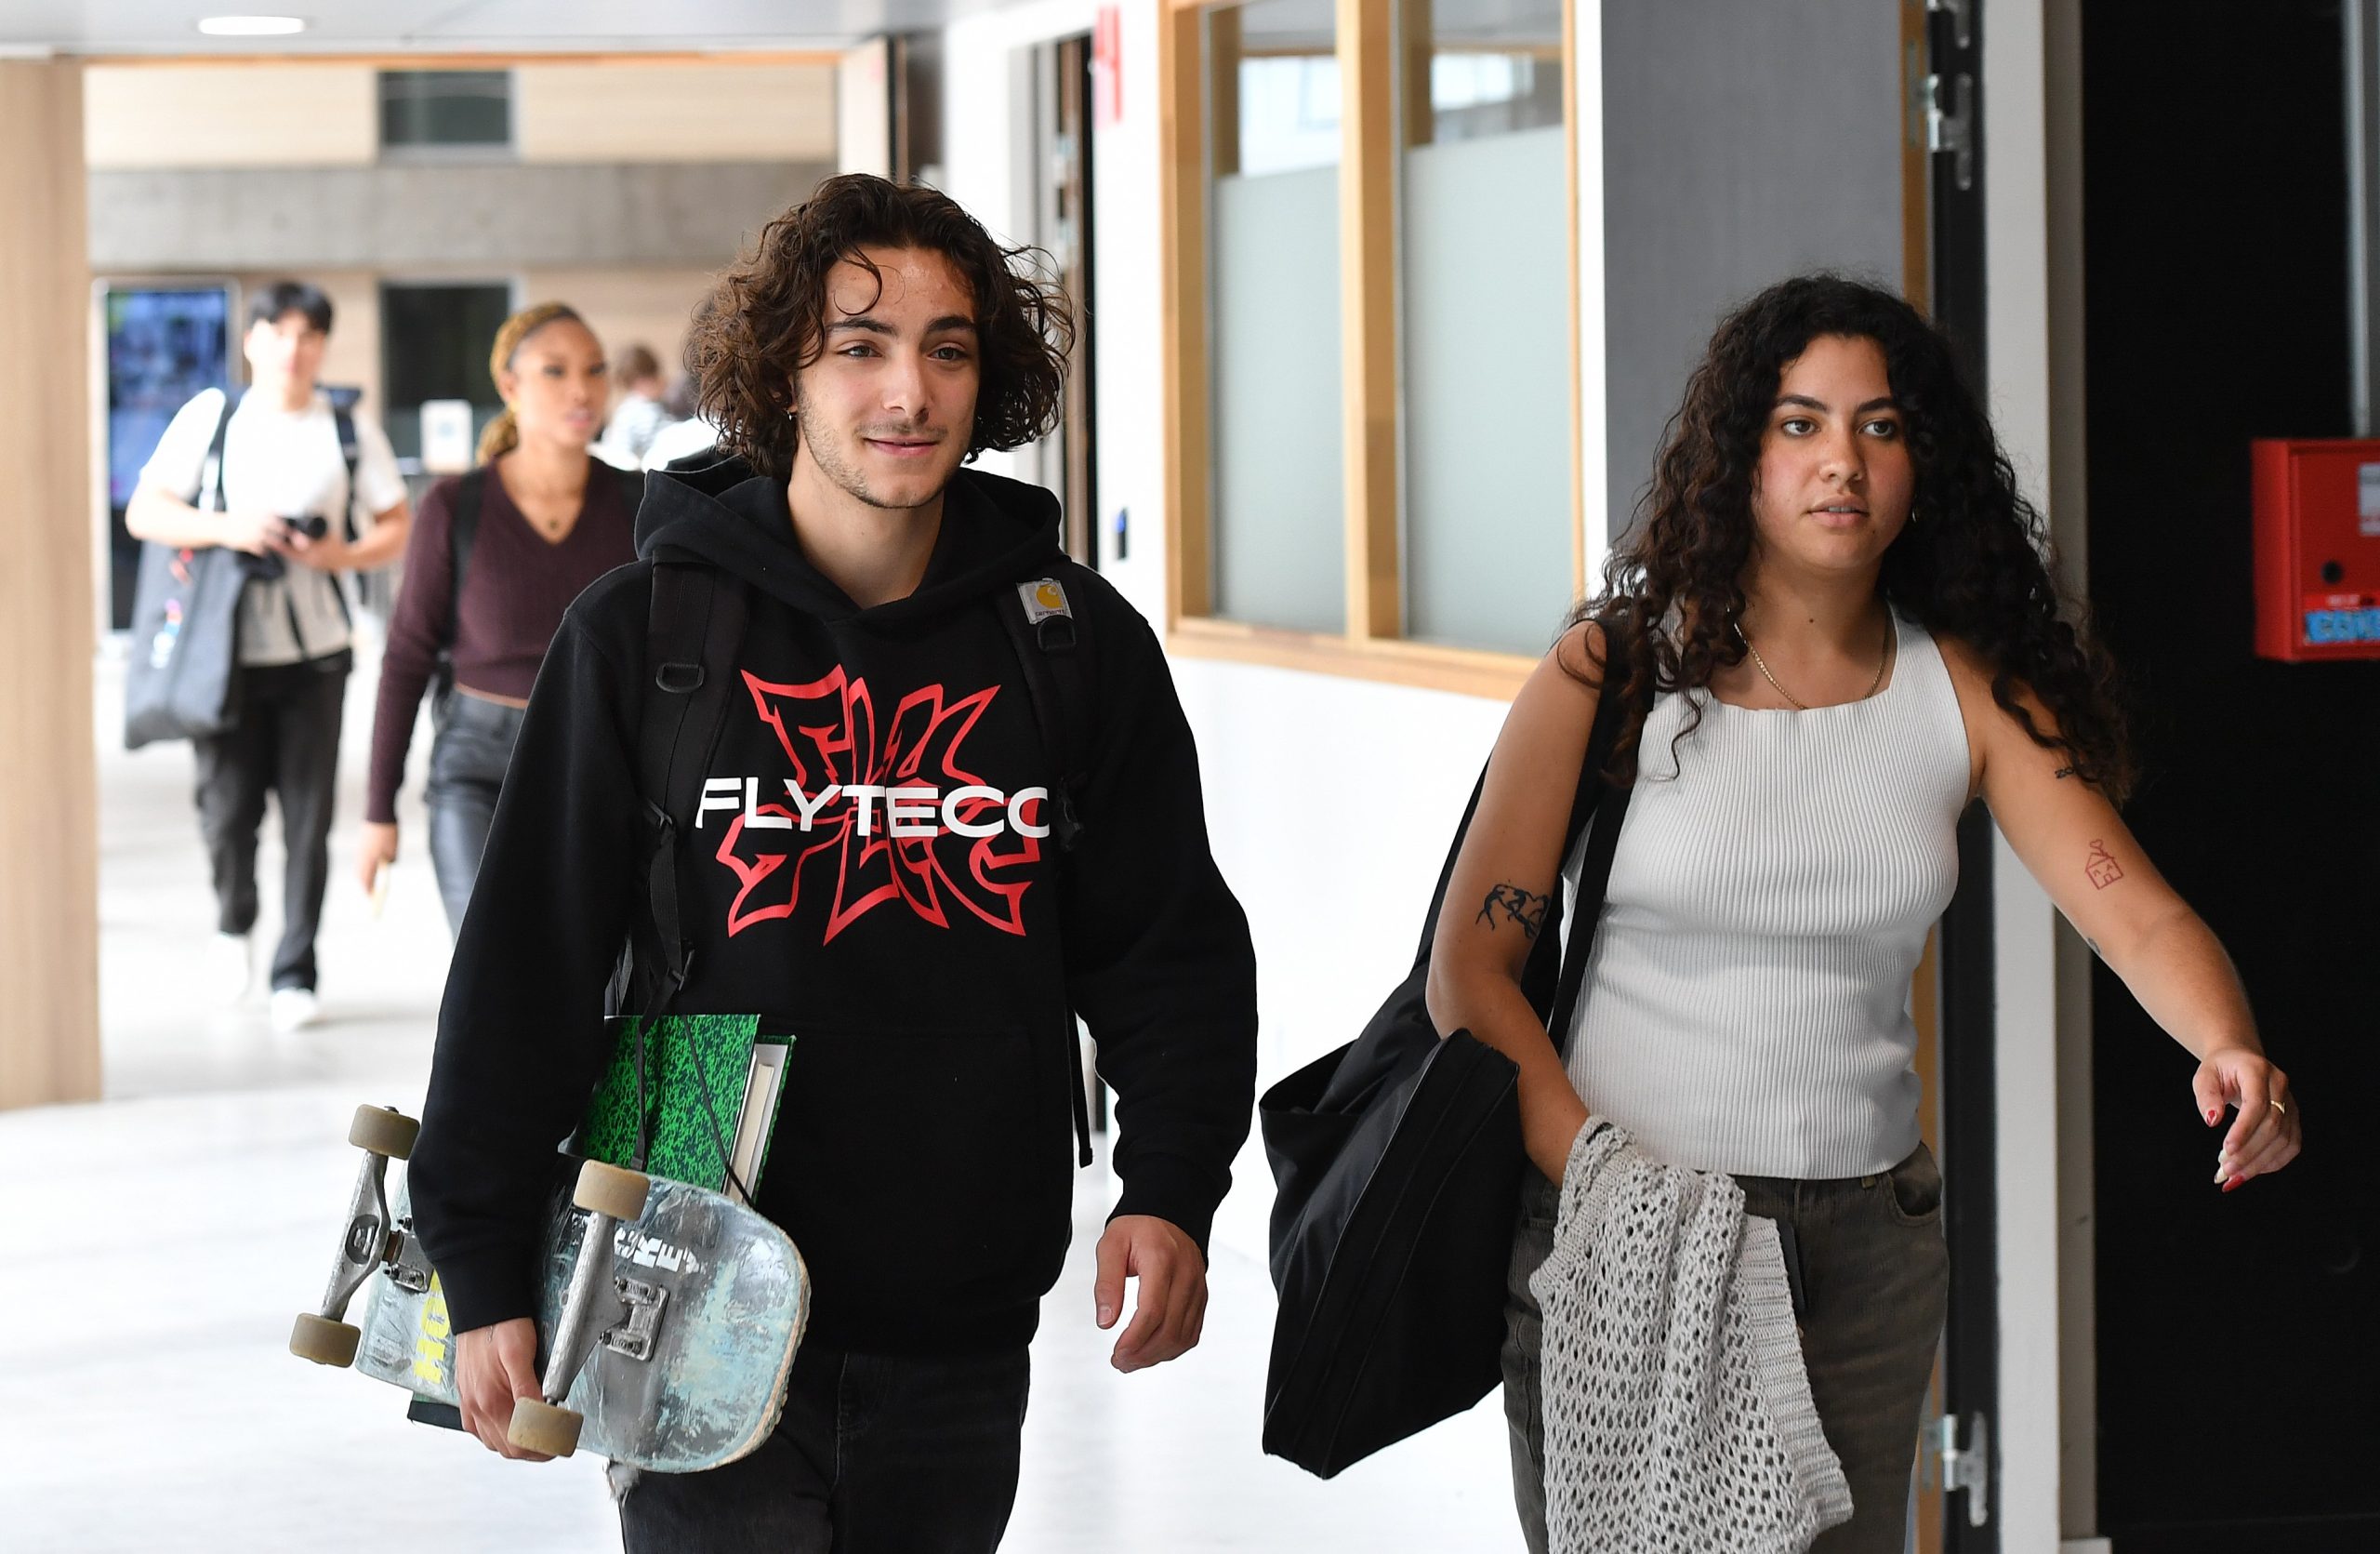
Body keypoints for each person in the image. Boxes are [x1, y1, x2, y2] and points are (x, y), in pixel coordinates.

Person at [405, 173, 1259, 1552]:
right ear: (781, 376)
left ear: (994, 379)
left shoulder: (1070, 644)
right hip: (687, 1268)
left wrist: (1169, 1183)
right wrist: (479, 1251)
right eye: (858, 346)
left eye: (948, 346)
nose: (906, 390)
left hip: (960, 1302)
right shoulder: (644, 636)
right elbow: (525, 963)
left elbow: (1170, 947)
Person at [1424, 275, 2305, 1554]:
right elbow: (1473, 968)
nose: (1843, 459)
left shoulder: (1967, 691)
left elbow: (2136, 913)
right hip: (1625, 1228)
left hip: (1865, 1250)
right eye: (1800, 423)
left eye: (1881, 427)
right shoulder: (1611, 671)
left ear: (1922, 464)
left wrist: (2226, 1039)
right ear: (1740, 456)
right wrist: (1606, 1176)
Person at [126, 279, 411, 1033]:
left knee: (310, 818)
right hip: (222, 656)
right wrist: (231, 528)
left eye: (309, 334)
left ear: (323, 346)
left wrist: (337, 553)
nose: (293, 347)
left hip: (317, 653)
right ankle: (233, 919)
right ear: (252, 341)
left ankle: (296, 967)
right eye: (279, 332)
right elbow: (145, 510)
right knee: (227, 813)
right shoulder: (213, 417)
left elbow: (396, 524)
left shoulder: (348, 428)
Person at [357, 303, 640, 936]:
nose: (581, 389)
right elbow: (405, 658)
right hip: (477, 771)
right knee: (491, 976)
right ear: (509, 387)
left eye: (595, 370)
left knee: (592, 987)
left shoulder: (638, 501)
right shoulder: (455, 507)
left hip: (599, 764)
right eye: (555, 371)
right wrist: (380, 811)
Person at [592, 341, 672, 468]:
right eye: (640, 382)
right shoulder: (631, 411)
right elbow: (621, 452)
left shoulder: (668, 400)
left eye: (651, 377)